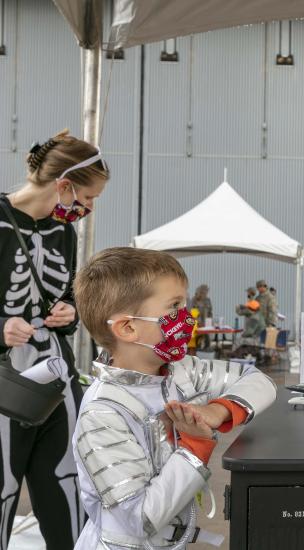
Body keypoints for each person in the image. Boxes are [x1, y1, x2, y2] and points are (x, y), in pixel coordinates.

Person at [71, 247, 277, 548]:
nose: (186, 316)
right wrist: (195, 448)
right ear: (128, 327)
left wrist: (218, 411)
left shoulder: (182, 371)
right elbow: (141, 518)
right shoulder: (103, 413)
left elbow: (259, 380)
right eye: (174, 307)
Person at [0, 129, 109, 549]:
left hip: (56, 375)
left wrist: (69, 312)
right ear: (64, 185)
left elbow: (65, 296)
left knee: (67, 482)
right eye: (89, 198)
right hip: (5, 378)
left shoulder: (64, 232)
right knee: (3, 487)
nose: (89, 208)